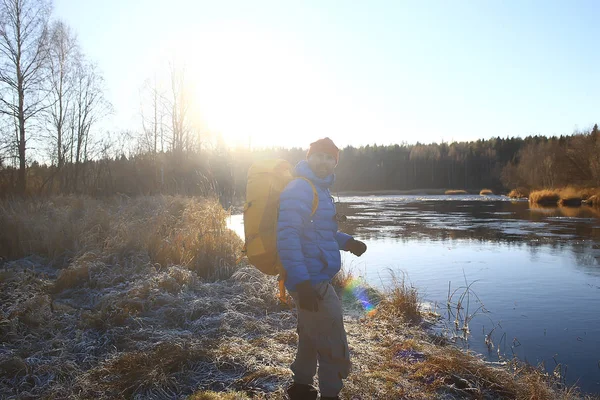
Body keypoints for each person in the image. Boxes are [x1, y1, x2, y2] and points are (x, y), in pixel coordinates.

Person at [277, 137, 367, 400]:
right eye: (319, 156)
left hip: (312, 278)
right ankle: (331, 395)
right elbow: (288, 236)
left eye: (330, 158)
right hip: (310, 281)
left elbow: (322, 233)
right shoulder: (300, 188)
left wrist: (347, 242)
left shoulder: (320, 191)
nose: (324, 162)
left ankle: (301, 388)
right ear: (309, 157)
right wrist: (302, 283)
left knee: (310, 334)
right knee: (333, 343)